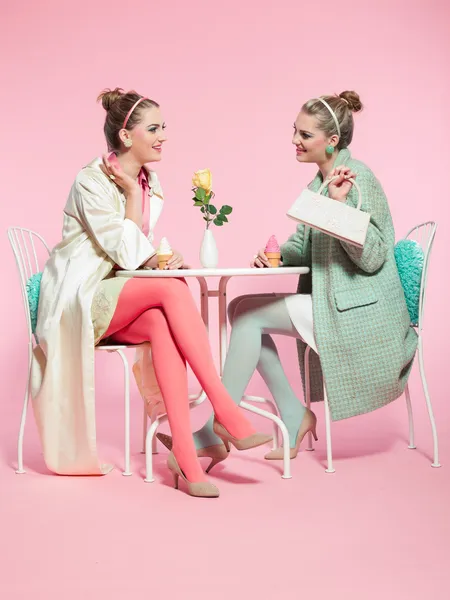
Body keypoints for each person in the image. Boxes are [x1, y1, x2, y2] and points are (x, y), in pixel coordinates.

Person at [32, 88, 271, 497]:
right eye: (154, 128)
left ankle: (186, 454)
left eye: (164, 128)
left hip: (117, 294)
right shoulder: (91, 180)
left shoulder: (150, 183)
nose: (163, 137)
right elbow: (126, 254)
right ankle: (224, 407)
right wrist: (127, 196)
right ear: (126, 137)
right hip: (81, 298)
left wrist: (167, 256)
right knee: (174, 292)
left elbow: (136, 253)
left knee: (162, 320)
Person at [158, 90, 418, 463]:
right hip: (332, 301)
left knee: (248, 316)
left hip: (361, 313)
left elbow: (375, 257)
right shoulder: (317, 185)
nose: (295, 141)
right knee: (240, 308)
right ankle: (292, 416)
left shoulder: (361, 180)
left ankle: (216, 428)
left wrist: (341, 207)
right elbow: (304, 247)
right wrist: (275, 259)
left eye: (305, 135)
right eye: (294, 131)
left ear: (332, 141)